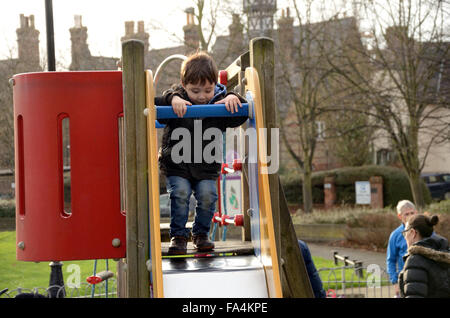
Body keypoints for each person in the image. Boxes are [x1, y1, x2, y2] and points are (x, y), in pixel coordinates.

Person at [155, 51, 247, 255]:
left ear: (214, 84)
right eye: (195, 91)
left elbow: (239, 116)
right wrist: (173, 100)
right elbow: (158, 102)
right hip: (177, 165)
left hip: (206, 166)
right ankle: (178, 236)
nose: (202, 96)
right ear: (184, 84)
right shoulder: (177, 97)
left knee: (208, 195)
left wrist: (233, 97)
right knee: (180, 194)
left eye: (207, 90)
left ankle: (200, 234)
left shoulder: (218, 101)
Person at [398, 214, 450, 298]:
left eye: (405, 233)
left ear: (413, 232)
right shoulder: (445, 257)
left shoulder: (415, 260)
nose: (405, 238)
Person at [386, 200, 418, 296]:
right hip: (404, 280)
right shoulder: (395, 235)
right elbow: (391, 260)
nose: (410, 216)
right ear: (400, 216)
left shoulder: (424, 230)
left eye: (412, 213)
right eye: (406, 214)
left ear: (416, 213)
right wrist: (395, 282)